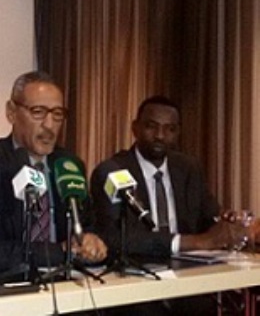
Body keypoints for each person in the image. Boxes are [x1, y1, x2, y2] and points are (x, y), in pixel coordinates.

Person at [90, 95, 241, 316]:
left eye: (169, 129)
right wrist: (189, 241)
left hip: (186, 276)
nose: (160, 136)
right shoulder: (113, 171)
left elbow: (210, 216)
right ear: (135, 128)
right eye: (152, 127)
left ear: (177, 133)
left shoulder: (188, 168)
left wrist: (227, 224)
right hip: (136, 281)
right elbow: (113, 237)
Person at [0, 71, 107, 275]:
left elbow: (87, 225)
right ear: (11, 112)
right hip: (7, 288)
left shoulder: (69, 165)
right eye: (38, 112)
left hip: (69, 284)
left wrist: (90, 239)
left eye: (58, 114)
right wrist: (59, 252)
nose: (49, 125)